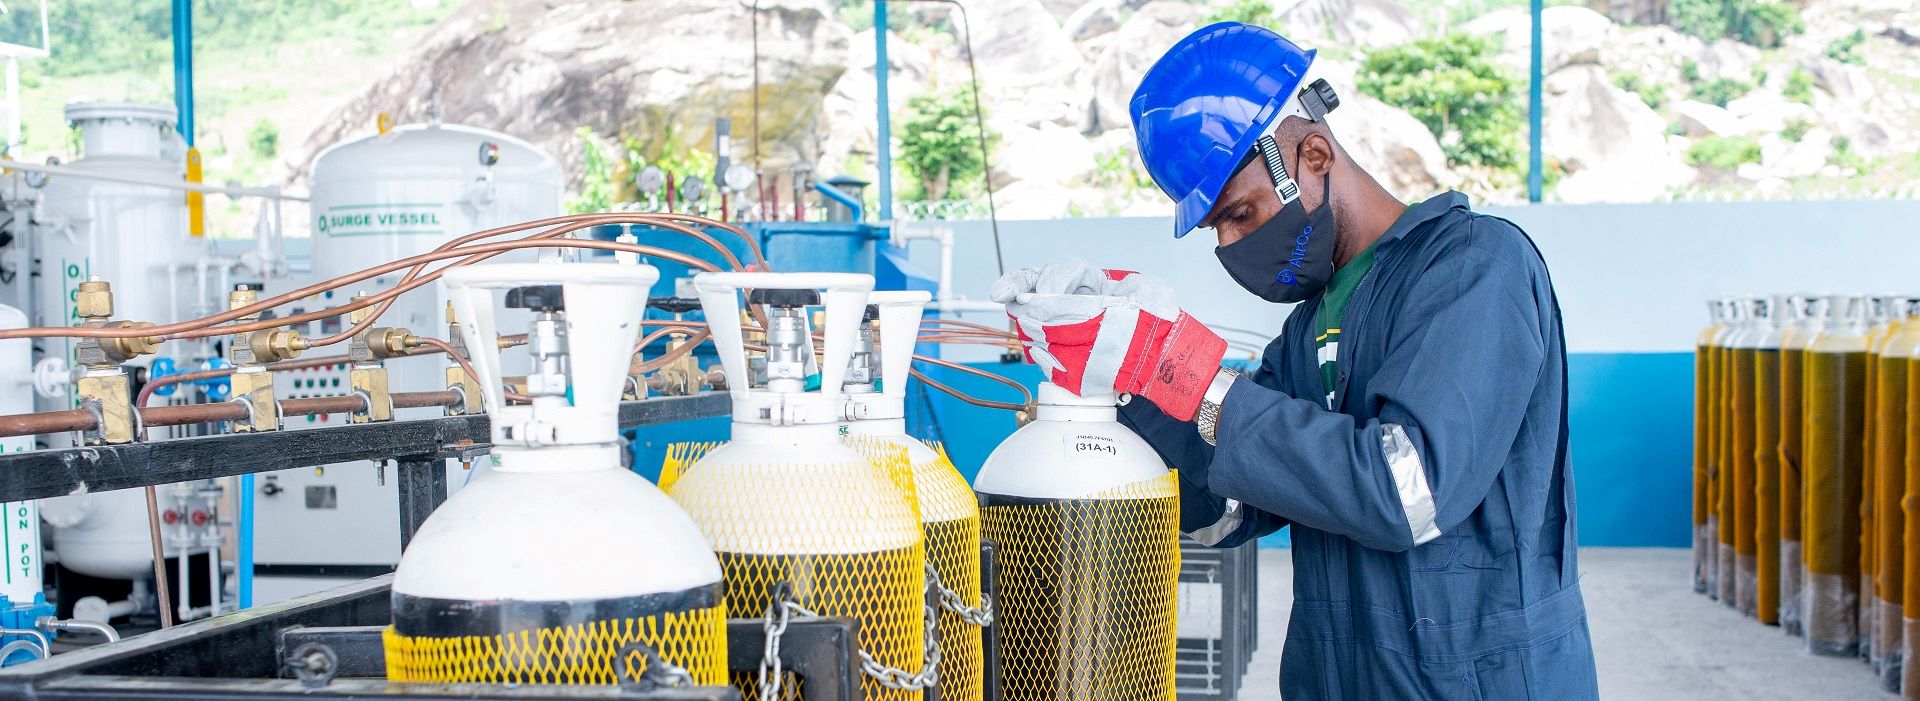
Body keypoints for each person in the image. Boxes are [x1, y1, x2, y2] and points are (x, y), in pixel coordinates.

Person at [990, 22, 1599, 699]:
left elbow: (1407, 491)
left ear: (1313, 153)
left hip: (1476, 683)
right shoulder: (1310, 327)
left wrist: (1188, 371)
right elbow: (1232, 498)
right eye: (1214, 227)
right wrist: (1120, 389)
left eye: (1240, 213)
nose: (1229, 244)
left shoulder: (1475, 268)